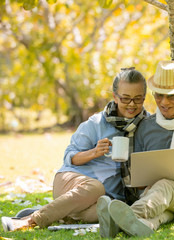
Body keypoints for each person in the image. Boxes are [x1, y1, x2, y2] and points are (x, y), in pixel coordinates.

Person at [1, 68, 149, 232]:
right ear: (115, 96)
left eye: (137, 99)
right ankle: (32, 220)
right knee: (96, 188)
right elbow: (70, 157)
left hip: (106, 198)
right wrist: (94, 152)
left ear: (144, 97)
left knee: (107, 210)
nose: (131, 105)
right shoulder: (97, 123)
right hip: (73, 182)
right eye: (125, 98)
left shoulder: (148, 125)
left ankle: (58, 211)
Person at [97, 60, 174, 237]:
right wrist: (141, 181)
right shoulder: (146, 126)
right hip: (158, 198)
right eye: (159, 95)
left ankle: (119, 218)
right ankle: (136, 225)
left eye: (172, 96)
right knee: (160, 211)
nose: (164, 102)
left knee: (164, 186)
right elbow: (138, 176)